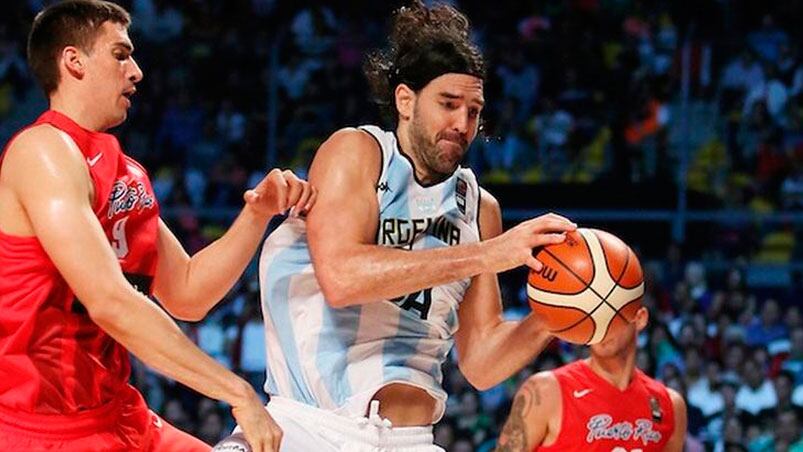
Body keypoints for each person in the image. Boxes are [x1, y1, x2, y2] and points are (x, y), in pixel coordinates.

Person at [250, 1, 575, 450]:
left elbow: (480, 363)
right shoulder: (358, 153)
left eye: (474, 111)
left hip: (412, 439)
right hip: (310, 426)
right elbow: (341, 278)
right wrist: (485, 254)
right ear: (405, 100)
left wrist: (554, 316)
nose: (462, 124)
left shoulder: (480, 209)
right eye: (448, 104)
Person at [0, 1, 315, 451]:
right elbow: (109, 300)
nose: (137, 72)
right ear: (74, 61)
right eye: (120, 54)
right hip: (41, 428)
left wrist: (256, 214)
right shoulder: (42, 150)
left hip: (120, 414)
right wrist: (236, 391)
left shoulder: (126, 172)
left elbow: (188, 293)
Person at [494, 307, 688, 451]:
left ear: (640, 318)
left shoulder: (670, 405)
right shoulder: (546, 390)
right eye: (593, 316)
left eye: (612, 314)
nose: (600, 327)